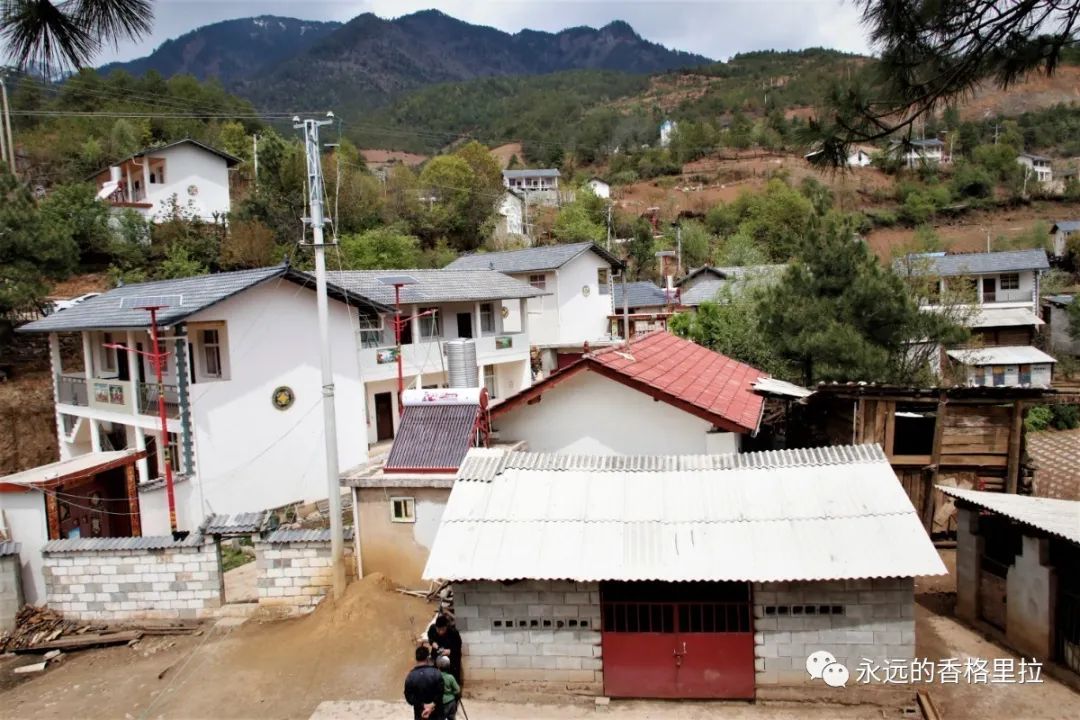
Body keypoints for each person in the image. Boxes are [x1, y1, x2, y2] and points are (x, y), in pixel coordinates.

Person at [403, 645, 444, 720]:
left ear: (416, 658)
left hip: (420, 713)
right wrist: (432, 704)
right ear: (428, 657)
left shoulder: (410, 676)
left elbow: (408, 697)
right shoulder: (436, 673)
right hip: (436, 713)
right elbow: (441, 692)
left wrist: (422, 705)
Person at [427, 614, 464, 683]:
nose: (440, 632)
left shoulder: (453, 632)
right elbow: (430, 637)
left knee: (453, 676)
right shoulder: (432, 629)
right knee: (437, 675)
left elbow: (458, 646)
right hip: (438, 655)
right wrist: (432, 643)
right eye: (438, 630)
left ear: (446, 627)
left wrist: (450, 651)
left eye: (443, 630)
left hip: (452, 657)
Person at [436, 654, 461, 720]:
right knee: (452, 717)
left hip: (441, 702)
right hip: (451, 702)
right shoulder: (450, 677)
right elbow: (457, 690)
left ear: (439, 666)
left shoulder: (436, 677)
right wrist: (452, 693)